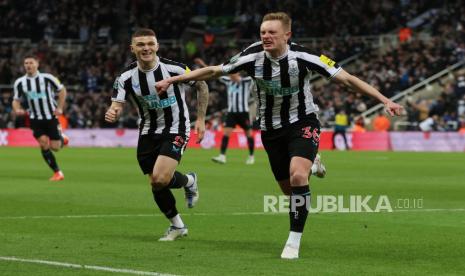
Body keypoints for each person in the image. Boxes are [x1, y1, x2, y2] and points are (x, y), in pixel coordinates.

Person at [156, 12, 403, 259]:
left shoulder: (305, 57)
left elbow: (347, 79)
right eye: (263, 32)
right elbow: (213, 71)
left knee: (297, 176)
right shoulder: (251, 56)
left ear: (287, 35)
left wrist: (384, 100)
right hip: (270, 129)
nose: (266, 36)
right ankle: (313, 164)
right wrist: (175, 79)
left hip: (302, 121)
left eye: (272, 32)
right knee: (291, 192)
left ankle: (293, 241)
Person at [105, 28, 209, 241]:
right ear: (132, 48)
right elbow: (117, 103)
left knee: (161, 178)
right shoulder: (125, 77)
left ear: (157, 46)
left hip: (176, 127)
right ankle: (179, 222)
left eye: (150, 44)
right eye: (141, 44)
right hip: (147, 131)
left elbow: (201, 84)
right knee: (155, 182)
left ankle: (188, 183)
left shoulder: (174, 69)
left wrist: (200, 119)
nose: (146, 48)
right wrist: (113, 110)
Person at [12, 56, 69, 181]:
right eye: (26, 63)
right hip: (35, 118)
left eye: (31, 63)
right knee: (43, 144)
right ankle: (57, 173)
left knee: (55, 147)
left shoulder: (48, 78)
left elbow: (62, 91)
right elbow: (16, 100)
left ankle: (62, 138)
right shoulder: (20, 82)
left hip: (50, 116)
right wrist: (17, 110)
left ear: (37, 64)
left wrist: (60, 108)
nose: (28, 65)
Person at [194, 57, 256, 165]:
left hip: (243, 113)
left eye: (233, 74)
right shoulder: (228, 81)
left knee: (249, 134)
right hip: (232, 112)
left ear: (237, 74)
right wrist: (202, 63)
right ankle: (222, 156)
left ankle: (251, 156)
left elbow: (255, 76)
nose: (230, 76)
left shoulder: (246, 82)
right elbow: (213, 73)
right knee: (226, 134)